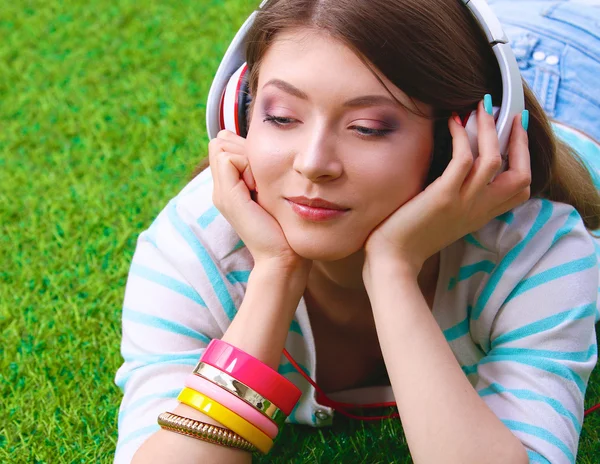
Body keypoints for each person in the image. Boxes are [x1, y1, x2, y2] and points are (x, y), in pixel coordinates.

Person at [113, 0, 600, 463]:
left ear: (460, 146)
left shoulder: (535, 249)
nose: (313, 163)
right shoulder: (194, 246)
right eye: (282, 117)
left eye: (367, 127)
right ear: (238, 116)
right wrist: (275, 275)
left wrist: (392, 269)